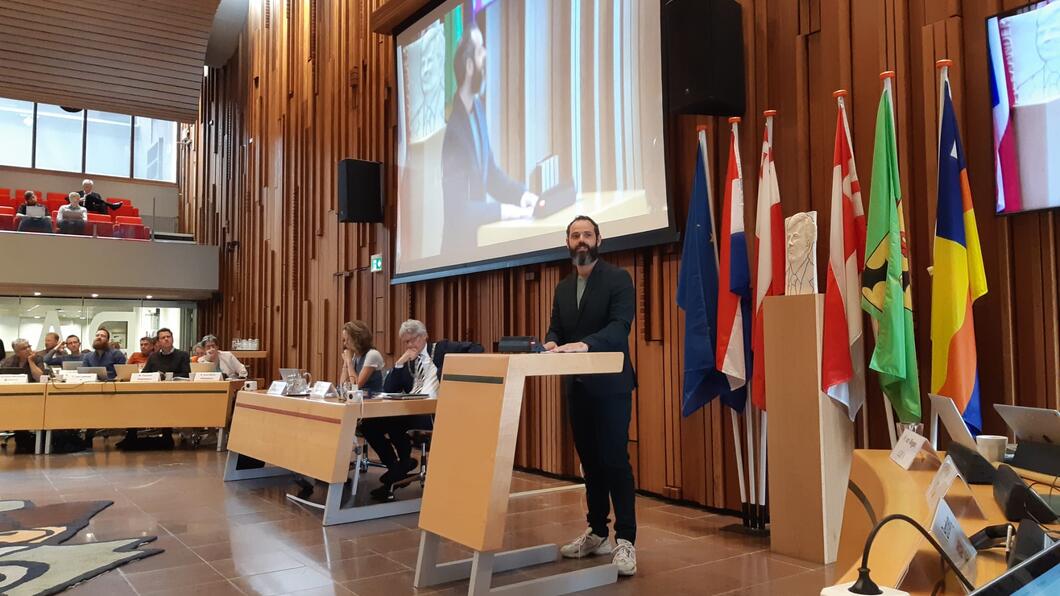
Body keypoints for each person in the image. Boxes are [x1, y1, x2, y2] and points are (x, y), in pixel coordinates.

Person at [544, 216, 638, 576]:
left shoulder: (618, 279)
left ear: (599, 239)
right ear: (567, 242)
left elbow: (620, 326)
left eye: (587, 234)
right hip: (577, 386)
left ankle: (625, 540)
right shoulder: (563, 287)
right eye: (574, 235)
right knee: (590, 464)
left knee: (614, 461)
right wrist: (552, 340)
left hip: (611, 386)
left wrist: (586, 344)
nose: (581, 240)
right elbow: (556, 325)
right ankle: (597, 532)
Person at [441, 24, 536, 254]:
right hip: (459, 254)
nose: (486, 55)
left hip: (478, 246)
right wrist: (506, 211)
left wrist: (522, 196)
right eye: (481, 50)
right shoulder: (455, 132)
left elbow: (491, 174)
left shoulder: (478, 109)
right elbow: (458, 209)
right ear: (470, 66)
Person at [362, 319, 483, 501]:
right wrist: (401, 362)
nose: (411, 345)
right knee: (369, 425)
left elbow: (477, 348)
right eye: (406, 342)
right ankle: (397, 467)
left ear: (425, 336)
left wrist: (449, 369)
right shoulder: (409, 361)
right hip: (411, 409)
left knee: (396, 423)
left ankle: (400, 469)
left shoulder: (441, 348)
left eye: (414, 340)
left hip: (434, 412)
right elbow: (388, 389)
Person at [338, 320, 384, 392]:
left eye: (348, 340)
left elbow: (356, 385)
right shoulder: (355, 356)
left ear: (357, 339)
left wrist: (349, 362)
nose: (345, 344)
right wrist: (346, 363)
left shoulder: (372, 354)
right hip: (360, 400)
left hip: (374, 400)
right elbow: (342, 386)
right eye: (344, 340)